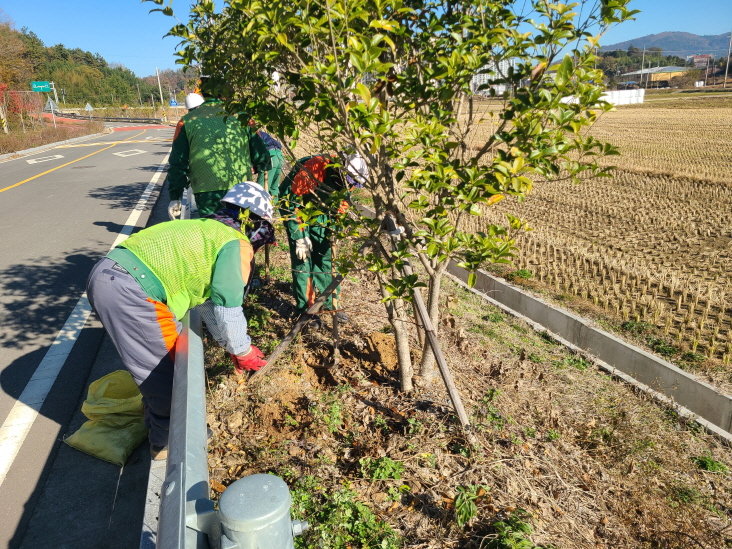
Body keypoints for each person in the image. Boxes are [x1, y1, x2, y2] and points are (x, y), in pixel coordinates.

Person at [86, 182, 276, 460]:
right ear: (256, 223)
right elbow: (228, 309)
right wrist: (244, 351)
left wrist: (233, 346)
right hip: (131, 290)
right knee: (170, 371)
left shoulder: (206, 230)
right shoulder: (236, 244)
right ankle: (168, 446)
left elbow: (210, 303)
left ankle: (158, 426)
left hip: (112, 276)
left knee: (154, 364)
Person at [278, 153, 368, 322]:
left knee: (325, 256)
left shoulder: (351, 177)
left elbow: (343, 203)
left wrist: (336, 226)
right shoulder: (315, 167)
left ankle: (330, 303)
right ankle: (306, 309)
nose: (350, 185)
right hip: (297, 208)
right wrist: (299, 235)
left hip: (323, 210)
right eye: (348, 181)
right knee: (303, 261)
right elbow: (292, 202)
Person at [166, 79, 271, 218]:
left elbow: (178, 162)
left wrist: (175, 195)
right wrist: (258, 167)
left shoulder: (186, 121)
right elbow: (262, 155)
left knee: (213, 234)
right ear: (225, 93)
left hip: (205, 192)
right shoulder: (242, 117)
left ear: (203, 93)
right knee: (239, 232)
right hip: (241, 190)